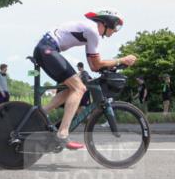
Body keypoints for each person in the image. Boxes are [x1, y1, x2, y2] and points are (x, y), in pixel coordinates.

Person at [33, 10, 136, 150]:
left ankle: (40, 114)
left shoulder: (90, 32)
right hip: (48, 49)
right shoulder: (93, 32)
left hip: (45, 49)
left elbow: (93, 66)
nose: (115, 31)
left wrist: (114, 64)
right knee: (79, 88)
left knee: (73, 87)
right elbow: (97, 64)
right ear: (108, 23)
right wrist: (121, 60)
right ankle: (62, 133)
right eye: (116, 27)